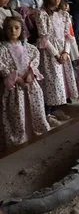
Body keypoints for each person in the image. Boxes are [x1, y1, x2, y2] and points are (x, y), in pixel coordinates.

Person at [0, 17, 50, 151]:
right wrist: (17, 79)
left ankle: (37, 133)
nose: (13, 31)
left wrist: (30, 73)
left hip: (30, 85)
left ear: (22, 29)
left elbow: (35, 58)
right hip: (14, 88)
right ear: (4, 30)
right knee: (17, 112)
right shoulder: (3, 48)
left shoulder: (28, 47)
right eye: (9, 28)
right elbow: (2, 65)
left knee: (34, 108)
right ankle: (20, 139)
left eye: (16, 28)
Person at [35, 0, 78, 127]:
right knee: (50, 82)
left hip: (62, 51)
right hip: (49, 53)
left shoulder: (64, 14)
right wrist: (56, 55)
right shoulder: (41, 14)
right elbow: (44, 38)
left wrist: (65, 52)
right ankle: (46, 112)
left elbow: (68, 36)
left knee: (61, 83)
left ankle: (55, 109)